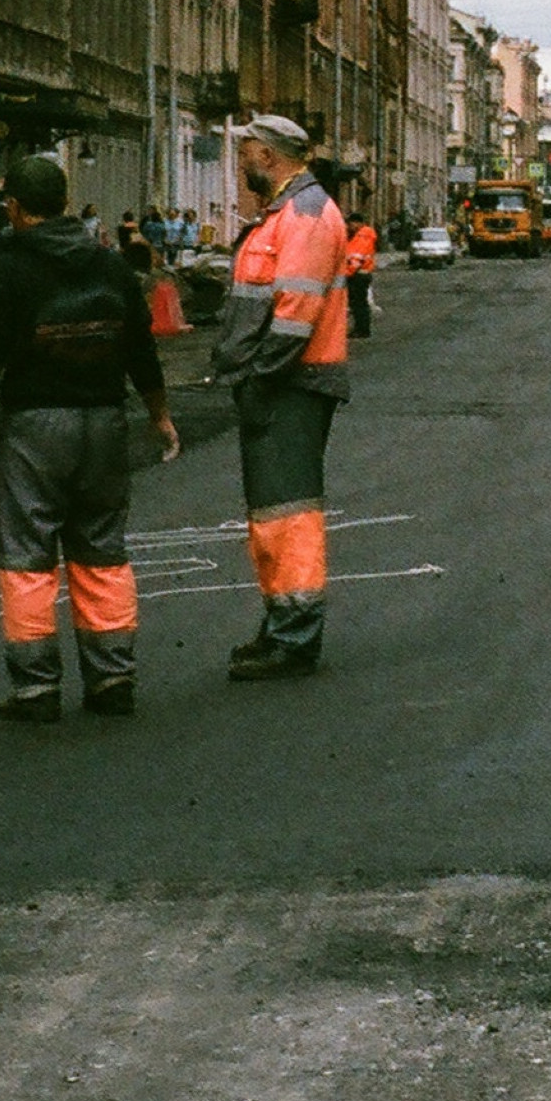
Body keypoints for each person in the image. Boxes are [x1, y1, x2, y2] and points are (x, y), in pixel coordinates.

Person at [0, 154, 178, 722]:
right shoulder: (110, 266)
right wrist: (159, 416)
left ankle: (36, 688)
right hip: (105, 424)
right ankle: (112, 679)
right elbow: (142, 350)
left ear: (15, 209)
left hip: (37, 427)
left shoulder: (8, 271)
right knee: (102, 550)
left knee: (29, 555)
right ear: (63, 204)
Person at [215, 116, 350, 682]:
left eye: (245, 152)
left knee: (290, 517)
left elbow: (296, 313)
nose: (240, 163)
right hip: (280, 381)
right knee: (272, 515)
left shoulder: (306, 215)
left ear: (267, 156)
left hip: (291, 383)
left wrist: (259, 376)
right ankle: (281, 627)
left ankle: (294, 638)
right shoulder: (285, 214)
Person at [330, 170, 379, 342]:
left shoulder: (363, 236)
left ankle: (362, 330)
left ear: (357, 223)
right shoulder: (360, 235)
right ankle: (360, 328)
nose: (348, 226)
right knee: (358, 304)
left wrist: (347, 273)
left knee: (359, 305)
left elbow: (356, 258)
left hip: (358, 275)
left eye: (350, 223)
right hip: (359, 275)